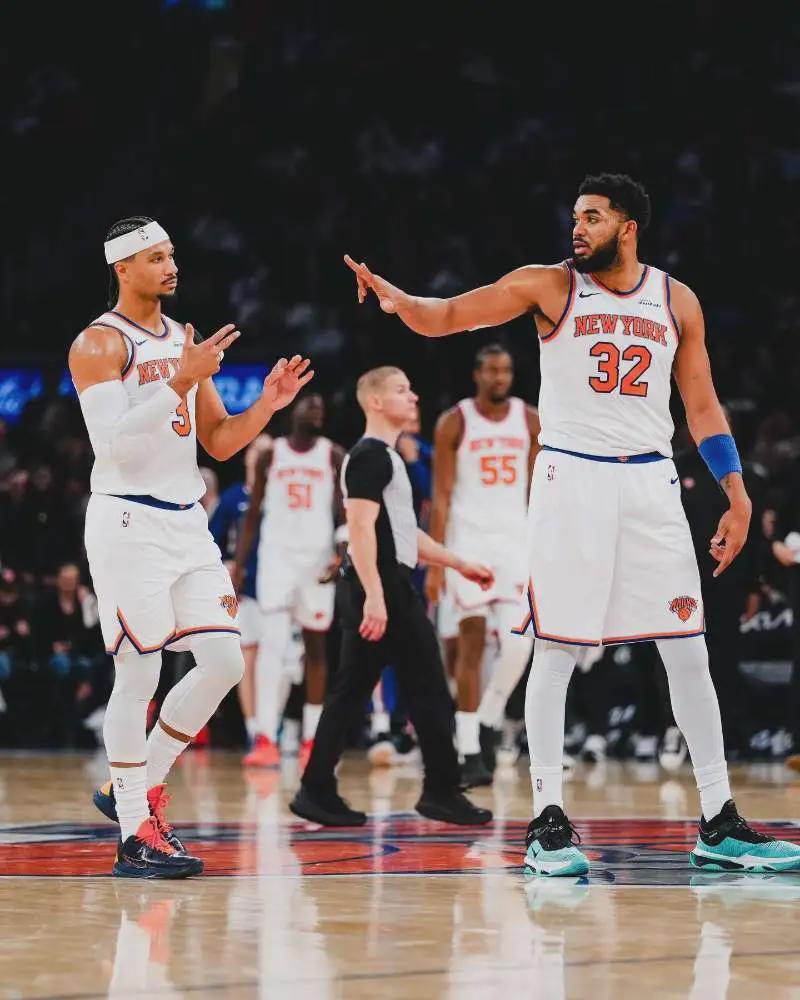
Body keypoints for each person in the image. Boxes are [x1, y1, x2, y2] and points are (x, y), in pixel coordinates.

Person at [344, 173, 800, 874]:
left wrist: (735, 494)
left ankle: (718, 820)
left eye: (593, 217)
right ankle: (547, 820)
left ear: (628, 227)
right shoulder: (550, 285)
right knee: (554, 649)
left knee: (687, 649)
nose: (578, 228)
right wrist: (404, 302)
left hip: (650, 482)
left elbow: (703, 405)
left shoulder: (676, 299)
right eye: (575, 217)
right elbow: (452, 314)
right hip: (571, 478)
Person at [69, 215, 313, 878]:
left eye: (172, 254)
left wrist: (267, 405)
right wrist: (181, 380)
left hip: (186, 520)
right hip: (128, 520)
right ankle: (134, 834)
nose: (171, 266)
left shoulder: (184, 339)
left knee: (226, 661)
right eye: (156, 257)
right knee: (139, 674)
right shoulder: (98, 343)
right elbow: (112, 445)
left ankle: (135, 783)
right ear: (122, 268)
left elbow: (221, 442)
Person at [290, 366, 494, 826]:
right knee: (428, 687)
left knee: (352, 691)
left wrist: (459, 563)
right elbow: (360, 529)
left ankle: (316, 788)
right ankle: (441, 790)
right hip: (381, 585)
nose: (414, 396)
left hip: (380, 582)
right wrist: (376, 596)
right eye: (403, 390)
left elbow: (404, 533)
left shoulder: (386, 457)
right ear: (376, 402)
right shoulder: (369, 456)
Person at [426, 345, 538, 786]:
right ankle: (470, 749)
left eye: (505, 370)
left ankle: (489, 716)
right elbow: (441, 496)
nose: (499, 377)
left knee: (518, 646)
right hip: (468, 543)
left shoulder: (530, 420)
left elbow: (539, 492)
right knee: (470, 644)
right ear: (477, 374)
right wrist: (437, 561)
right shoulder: (454, 421)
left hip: (515, 545)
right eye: (491, 370)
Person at [234, 393, 345, 769]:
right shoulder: (272, 454)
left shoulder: (332, 454)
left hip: (316, 559)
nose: (316, 411)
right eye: (309, 405)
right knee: (273, 645)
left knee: (315, 648)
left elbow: (344, 509)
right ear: (292, 410)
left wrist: (342, 550)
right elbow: (253, 514)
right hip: (277, 558)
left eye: (321, 408)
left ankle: (312, 739)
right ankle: (266, 736)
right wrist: (239, 566)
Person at [208, 434, 272, 748]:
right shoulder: (234, 498)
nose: (262, 456)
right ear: (247, 457)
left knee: (278, 659)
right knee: (248, 657)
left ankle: (274, 724)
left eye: (268, 451)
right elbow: (211, 540)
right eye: (257, 450)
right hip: (244, 590)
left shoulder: (279, 497)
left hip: (276, 588)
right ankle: (253, 727)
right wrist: (228, 564)